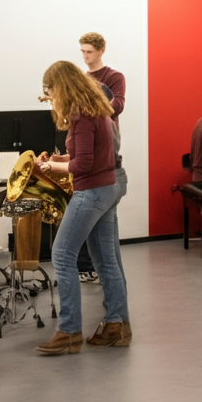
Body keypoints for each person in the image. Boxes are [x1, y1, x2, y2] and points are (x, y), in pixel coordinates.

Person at [34, 61, 130, 355]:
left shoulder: (80, 115)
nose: (49, 96)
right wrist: (60, 161)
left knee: (62, 256)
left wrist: (50, 166)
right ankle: (117, 325)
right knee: (105, 261)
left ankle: (69, 331)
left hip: (92, 191)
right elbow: (89, 158)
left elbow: (84, 165)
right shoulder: (97, 109)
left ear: (61, 87)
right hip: (107, 187)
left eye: (50, 90)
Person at [74, 32, 124, 283]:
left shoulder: (114, 77)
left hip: (106, 150)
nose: (84, 56)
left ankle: (101, 268)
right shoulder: (81, 79)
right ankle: (86, 266)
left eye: (89, 52)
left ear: (101, 50)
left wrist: (86, 106)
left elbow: (117, 106)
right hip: (86, 146)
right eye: (82, 51)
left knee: (102, 221)